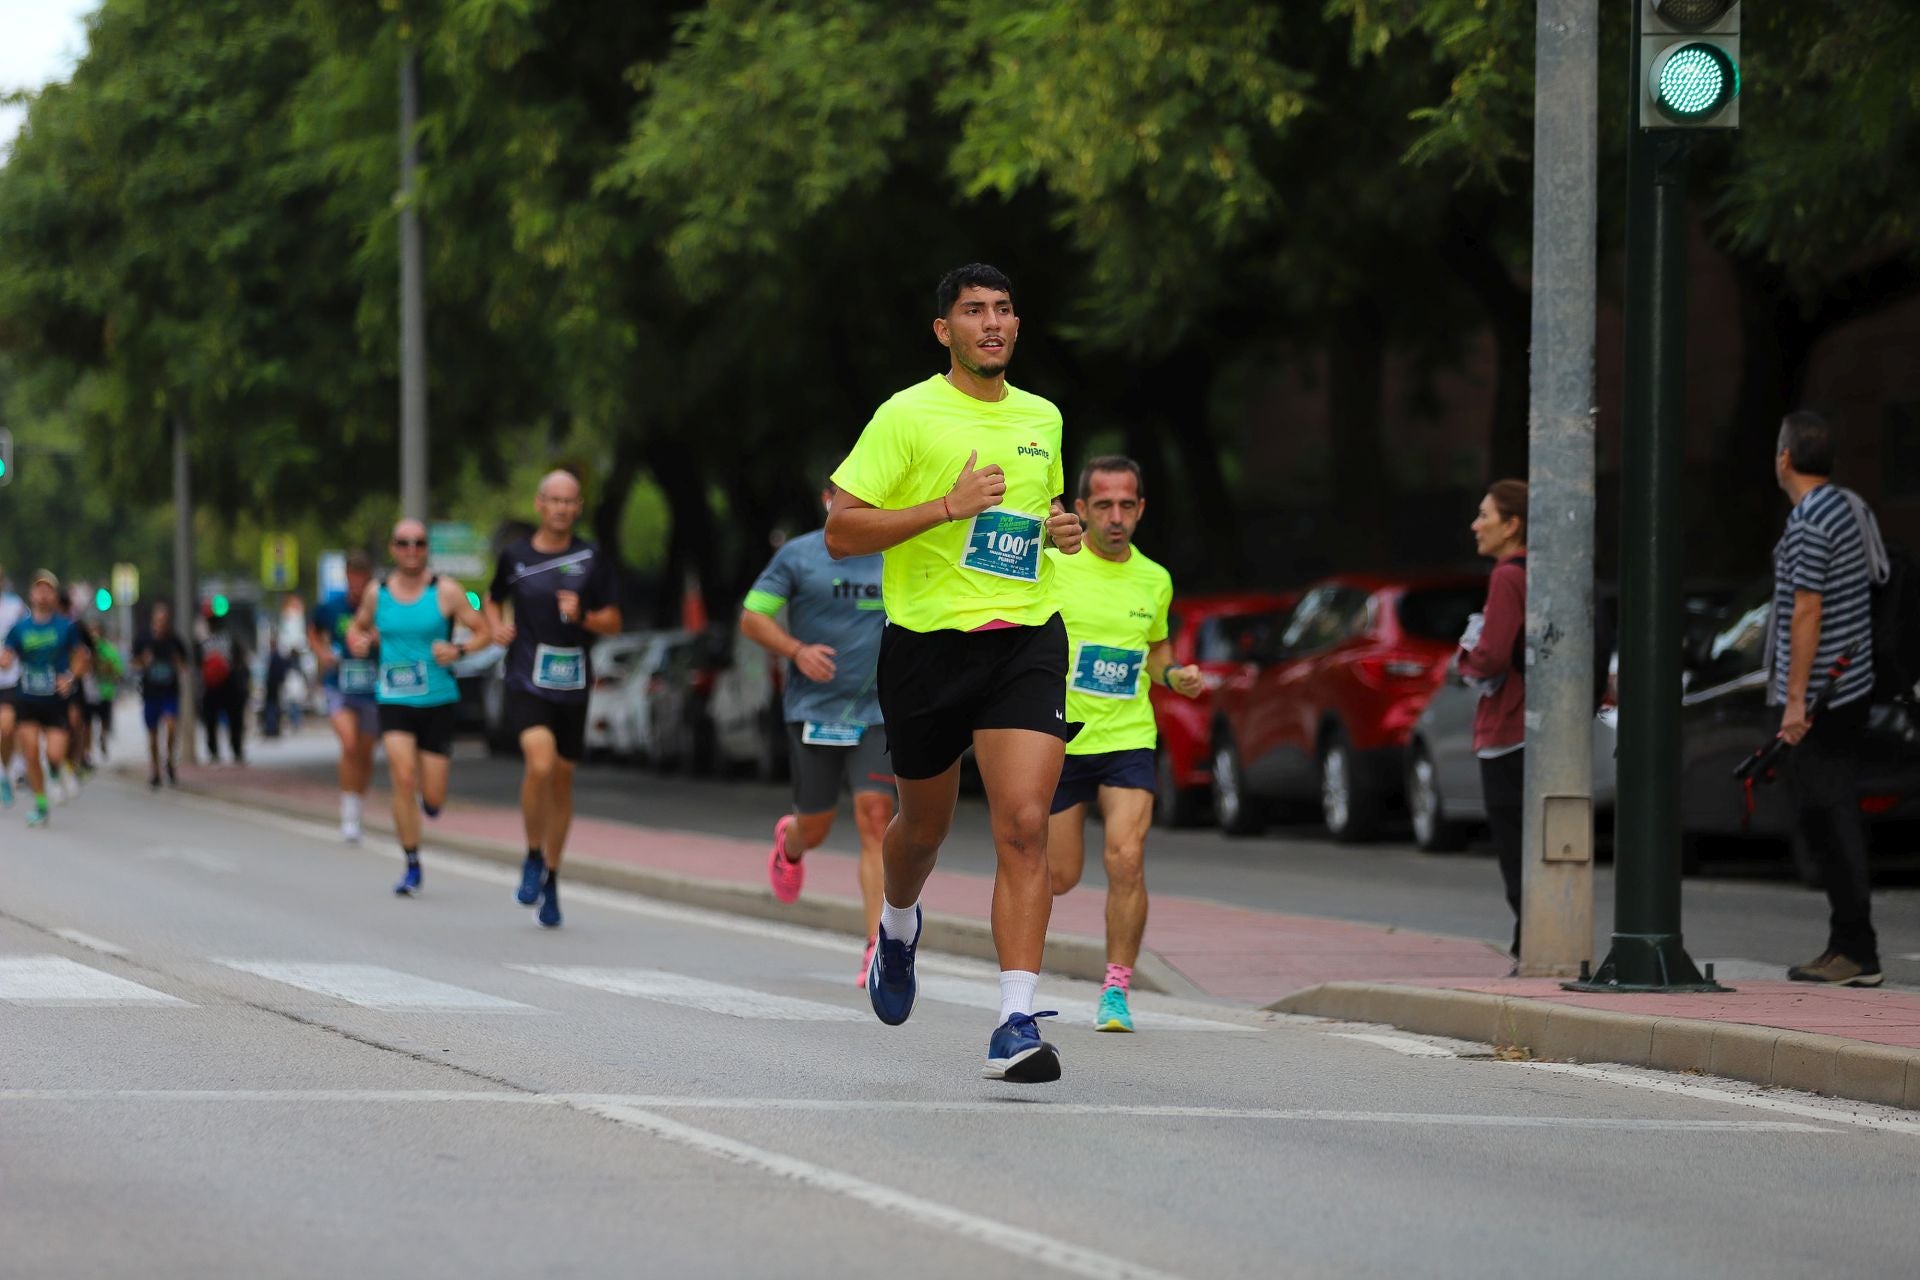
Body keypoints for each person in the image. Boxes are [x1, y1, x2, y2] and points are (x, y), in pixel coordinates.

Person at [825, 262, 1086, 1083]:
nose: (992, 323)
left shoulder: (1043, 416)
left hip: (1025, 639)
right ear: (945, 330)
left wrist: (1059, 532)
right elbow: (840, 530)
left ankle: (1015, 1019)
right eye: (974, 311)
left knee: (1025, 825)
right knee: (922, 831)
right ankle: (898, 925)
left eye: (1004, 309)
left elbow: (1036, 516)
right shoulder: (906, 415)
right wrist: (946, 506)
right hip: (927, 646)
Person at [1044, 456, 1202, 1032]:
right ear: (1081, 509)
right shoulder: (1055, 566)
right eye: (1104, 505)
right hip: (1061, 737)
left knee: (1127, 858)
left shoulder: (1154, 579)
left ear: (1140, 509)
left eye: (1126, 505)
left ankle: (1116, 991)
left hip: (1128, 736)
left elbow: (1156, 651)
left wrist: (1174, 674)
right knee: (1059, 876)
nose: (1116, 517)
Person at [741, 478, 895, 982]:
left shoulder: (897, 551)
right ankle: (791, 842)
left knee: (876, 818)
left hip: (878, 711)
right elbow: (753, 616)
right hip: (815, 709)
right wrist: (796, 651)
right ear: (829, 501)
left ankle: (877, 947)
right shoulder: (798, 556)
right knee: (817, 826)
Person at [1769, 411, 1886, 987]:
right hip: (1850, 684)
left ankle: (1856, 950)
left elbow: (1807, 609)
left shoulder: (1810, 520)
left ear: (1786, 459)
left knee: (1828, 817)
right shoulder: (1848, 506)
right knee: (1829, 814)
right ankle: (1848, 944)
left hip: (1823, 697)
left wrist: (1796, 701)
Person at [485, 470, 621, 929]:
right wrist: (496, 627)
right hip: (526, 678)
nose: (561, 508)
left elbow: (613, 622)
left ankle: (552, 877)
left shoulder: (591, 557)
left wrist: (583, 616)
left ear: (578, 507)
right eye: (554, 500)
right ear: (539, 504)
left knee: (561, 780)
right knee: (539, 764)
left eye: (570, 501)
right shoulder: (516, 556)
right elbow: (492, 598)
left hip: (573, 683)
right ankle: (531, 855)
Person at [349, 519, 492, 896]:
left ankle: (430, 805)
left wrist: (458, 649)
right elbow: (357, 627)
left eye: (418, 543)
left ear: (427, 548)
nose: (411, 550)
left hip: (438, 700)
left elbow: (484, 631)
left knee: (433, 796)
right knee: (403, 777)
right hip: (394, 699)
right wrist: (358, 641)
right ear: (393, 549)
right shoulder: (377, 593)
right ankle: (411, 862)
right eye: (403, 543)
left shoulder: (446, 591)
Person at [1458, 479, 1529, 969]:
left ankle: (1532, 945)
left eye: (1486, 515)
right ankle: (1536, 940)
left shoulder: (1506, 577)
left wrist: (1464, 656)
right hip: (1538, 727)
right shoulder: (1541, 572)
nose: (1475, 525)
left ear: (1512, 525)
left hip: (1507, 727)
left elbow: (1492, 656)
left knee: (1514, 847)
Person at [1, 570, 90, 828]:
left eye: (48, 590)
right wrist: (5, 660)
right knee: (30, 753)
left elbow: (81, 657)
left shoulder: (65, 627)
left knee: (54, 754)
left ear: (54, 596)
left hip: (55, 701)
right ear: (31, 594)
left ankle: (55, 771)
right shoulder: (20, 628)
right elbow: (7, 656)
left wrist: (70, 677)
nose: (43, 594)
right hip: (27, 698)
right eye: (38, 589)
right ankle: (41, 805)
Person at [309, 552, 379, 841]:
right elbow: (313, 631)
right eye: (353, 578)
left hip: (372, 688)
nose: (357, 585)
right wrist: (323, 653)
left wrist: (375, 640)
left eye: (362, 579)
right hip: (339, 684)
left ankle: (357, 803)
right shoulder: (332, 607)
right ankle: (348, 815)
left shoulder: (379, 606)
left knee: (365, 752)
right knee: (349, 745)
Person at [133, 600, 190, 788]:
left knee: (171, 726)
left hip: (169, 692)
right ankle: (155, 769)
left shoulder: (175, 641)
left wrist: (177, 663)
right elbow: (133, 664)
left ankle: (170, 760)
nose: (161, 624)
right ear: (153, 620)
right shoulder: (143, 640)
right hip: (150, 693)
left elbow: (184, 667)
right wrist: (144, 661)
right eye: (158, 620)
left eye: (164, 620)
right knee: (153, 734)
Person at [198, 609, 249, 765]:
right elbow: (240, 661)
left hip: (220, 687)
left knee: (217, 721)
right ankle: (233, 750)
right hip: (223, 686)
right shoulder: (228, 640)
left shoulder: (206, 643)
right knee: (230, 721)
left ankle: (219, 751)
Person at [0, 566, 26, 808]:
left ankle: (4, 771)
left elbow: (27, 637)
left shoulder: (14, 606)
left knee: (7, 729)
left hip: (8, 679)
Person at [83, 619, 123, 763]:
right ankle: (87, 752)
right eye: (91, 631)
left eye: (96, 631)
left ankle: (103, 737)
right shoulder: (84, 649)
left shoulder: (109, 650)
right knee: (87, 724)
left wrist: (108, 669)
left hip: (105, 692)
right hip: (87, 693)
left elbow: (118, 672)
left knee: (104, 721)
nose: (94, 634)